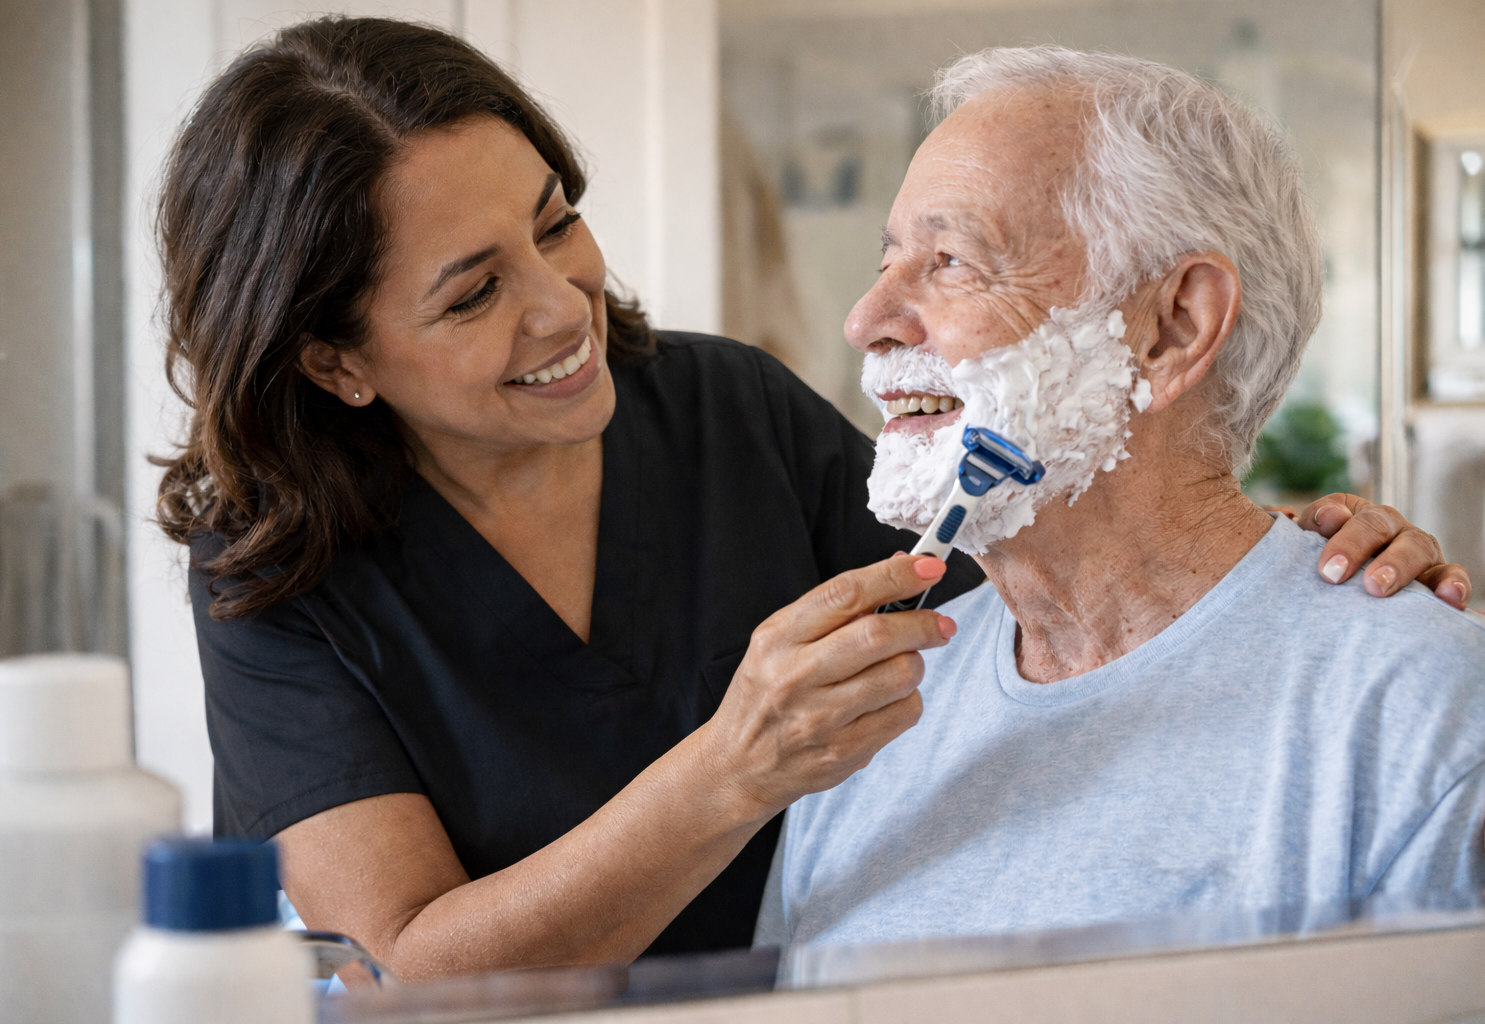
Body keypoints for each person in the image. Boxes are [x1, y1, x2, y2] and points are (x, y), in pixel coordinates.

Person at [157, 19, 1468, 980]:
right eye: (470, 290)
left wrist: (1304, 569)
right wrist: (733, 772)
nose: (563, 306)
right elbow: (405, 978)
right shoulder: (283, 577)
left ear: (1178, 320)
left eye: (557, 224)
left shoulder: (725, 415)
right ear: (336, 362)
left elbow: (1061, 559)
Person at [757, 47, 1485, 953]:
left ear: (1173, 328)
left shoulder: (1425, 718)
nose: (865, 320)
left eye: (949, 261)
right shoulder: (860, 722)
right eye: (889, 260)